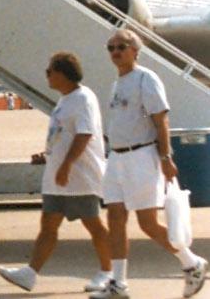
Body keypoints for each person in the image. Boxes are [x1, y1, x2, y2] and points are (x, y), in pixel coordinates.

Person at [92, 29, 206, 299]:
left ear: (135, 50)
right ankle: (119, 284)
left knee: (147, 223)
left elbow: (161, 120)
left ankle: (191, 262)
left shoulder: (146, 79)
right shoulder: (117, 84)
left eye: (122, 46)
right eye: (111, 47)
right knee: (115, 217)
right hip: (117, 158)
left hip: (141, 157)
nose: (116, 51)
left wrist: (166, 157)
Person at [0, 52, 112, 292]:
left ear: (62, 73)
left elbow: (84, 134)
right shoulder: (64, 100)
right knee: (48, 224)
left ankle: (108, 271)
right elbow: (63, 135)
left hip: (79, 177)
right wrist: (48, 155)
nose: (47, 76)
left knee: (94, 224)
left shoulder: (82, 98)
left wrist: (67, 164)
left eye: (50, 71)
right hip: (57, 177)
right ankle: (30, 273)